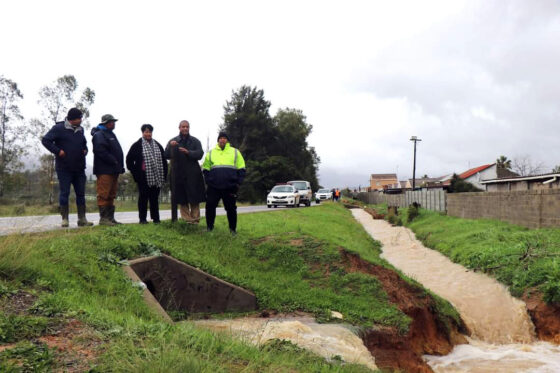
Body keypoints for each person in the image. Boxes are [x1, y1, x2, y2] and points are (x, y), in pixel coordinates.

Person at [41, 108, 93, 227]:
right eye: (79, 118)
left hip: (79, 168)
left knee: (81, 194)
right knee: (65, 193)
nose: (81, 120)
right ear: (72, 119)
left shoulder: (81, 130)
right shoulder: (58, 128)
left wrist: (85, 150)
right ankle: (65, 219)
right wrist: (58, 151)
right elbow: (45, 140)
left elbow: (84, 143)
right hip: (64, 168)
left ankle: (82, 219)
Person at [202, 132, 246, 234]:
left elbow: (242, 169)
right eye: (220, 138)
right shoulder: (211, 153)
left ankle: (232, 230)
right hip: (213, 187)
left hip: (230, 187)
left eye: (224, 138)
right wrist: (208, 181)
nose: (222, 140)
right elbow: (205, 169)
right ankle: (209, 228)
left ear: (227, 140)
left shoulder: (235, 152)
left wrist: (238, 183)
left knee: (231, 209)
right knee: (210, 207)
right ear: (218, 140)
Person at [164, 120, 205, 224]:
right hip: (178, 174)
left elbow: (200, 154)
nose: (185, 128)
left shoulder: (195, 141)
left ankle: (195, 220)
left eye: (187, 127)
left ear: (189, 128)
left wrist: (188, 152)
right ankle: (187, 221)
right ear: (179, 128)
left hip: (193, 174)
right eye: (183, 127)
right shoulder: (173, 140)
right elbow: (166, 155)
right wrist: (171, 146)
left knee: (194, 197)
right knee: (182, 198)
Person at [126, 124, 168, 224]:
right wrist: (136, 174)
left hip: (157, 176)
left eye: (149, 132)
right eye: (146, 132)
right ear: (142, 133)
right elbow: (129, 160)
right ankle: (142, 219)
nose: (148, 134)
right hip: (143, 177)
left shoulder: (158, 145)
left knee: (154, 199)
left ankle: (156, 219)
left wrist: (164, 175)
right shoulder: (137, 145)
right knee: (143, 198)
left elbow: (164, 161)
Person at [91, 114, 124, 226]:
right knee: (103, 194)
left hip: (114, 170)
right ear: (105, 123)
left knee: (111, 194)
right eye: (111, 122)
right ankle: (104, 219)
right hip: (104, 170)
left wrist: (119, 166)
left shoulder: (110, 134)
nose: (113, 123)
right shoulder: (99, 134)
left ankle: (110, 218)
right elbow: (100, 151)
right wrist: (113, 161)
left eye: (114, 121)